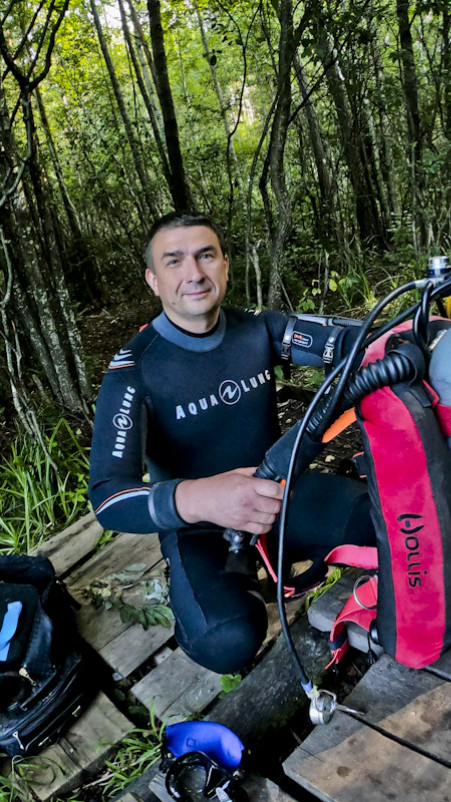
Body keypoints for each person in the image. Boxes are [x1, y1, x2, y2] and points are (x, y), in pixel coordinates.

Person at [88, 212, 374, 674]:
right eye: (174, 261)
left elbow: (346, 342)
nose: (194, 273)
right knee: (227, 641)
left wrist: (409, 338)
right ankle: (199, 591)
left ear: (225, 264)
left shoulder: (259, 327)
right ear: (153, 280)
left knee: (394, 520)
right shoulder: (135, 369)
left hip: (280, 491)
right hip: (202, 525)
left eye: (205, 256)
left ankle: (307, 566)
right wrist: (203, 497)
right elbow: (108, 495)